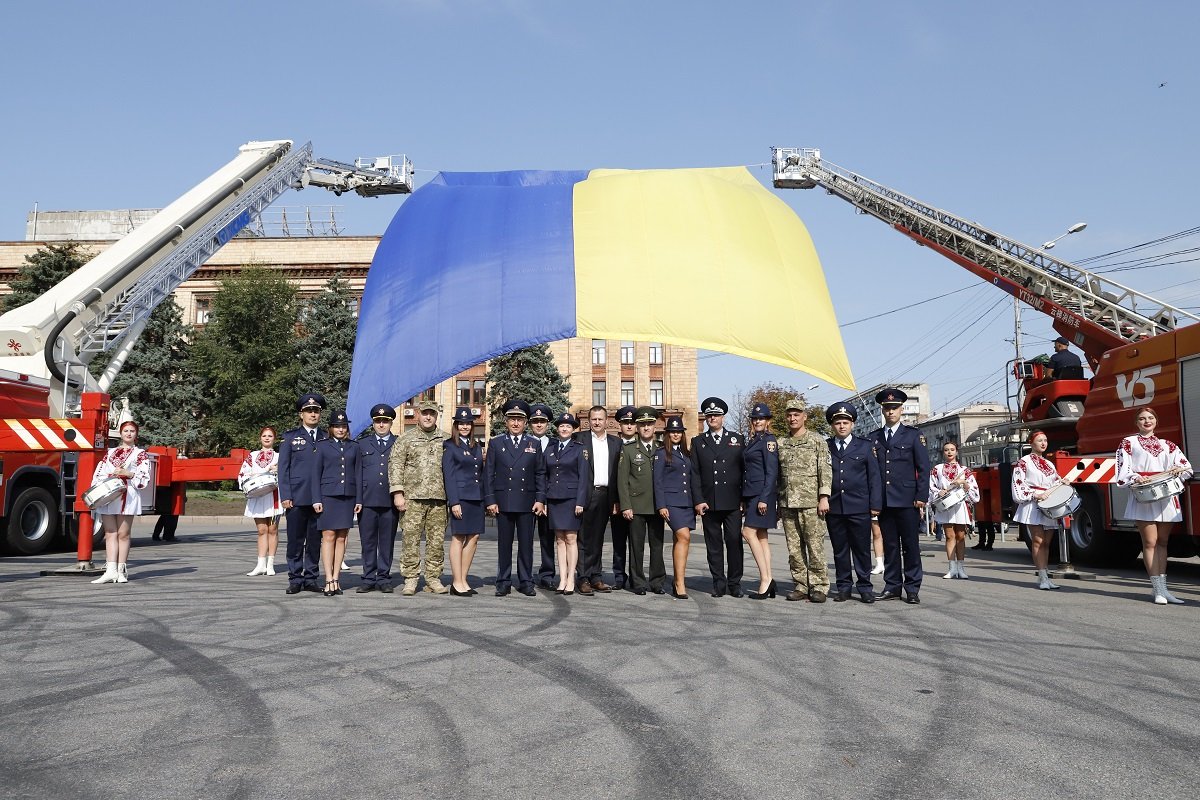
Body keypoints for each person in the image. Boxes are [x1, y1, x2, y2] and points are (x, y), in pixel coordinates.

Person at [1115, 408, 1193, 604]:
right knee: (1150, 542)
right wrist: (1135, 477)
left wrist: (1178, 469)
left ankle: (1164, 589)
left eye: (1150, 418)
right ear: (1136, 423)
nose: (1146, 421)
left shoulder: (1168, 445)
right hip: (1145, 495)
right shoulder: (1128, 443)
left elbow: (1187, 468)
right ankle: (1157, 589)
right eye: (1142, 418)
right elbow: (1123, 469)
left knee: (1163, 543)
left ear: (1156, 421)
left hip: (1166, 496)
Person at [872, 388, 930, 605]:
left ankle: (913, 588)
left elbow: (923, 468)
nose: (890, 412)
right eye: (887, 408)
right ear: (882, 411)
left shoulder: (914, 435)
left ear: (901, 410)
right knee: (890, 546)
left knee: (910, 545)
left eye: (894, 408)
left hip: (908, 500)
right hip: (885, 501)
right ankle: (892, 586)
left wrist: (921, 496)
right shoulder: (874, 437)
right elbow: (874, 473)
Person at [485, 399, 547, 596]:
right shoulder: (496, 443)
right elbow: (488, 474)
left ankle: (525, 580)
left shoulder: (534, 444)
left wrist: (540, 499)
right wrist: (490, 500)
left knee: (526, 544)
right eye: (512, 419)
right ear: (506, 421)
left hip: (527, 502)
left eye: (520, 419)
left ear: (525, 422)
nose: (516, 423)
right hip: (503, 501)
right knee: (504, 544)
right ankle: (503, 580)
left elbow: (540, 473)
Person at [389, 399, 450, 595]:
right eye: (425, 413)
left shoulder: (446, 439)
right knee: (410, 540)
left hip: (439, 499)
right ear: (418, 414)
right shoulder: (406, 439)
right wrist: (398, 493)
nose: (428, 417)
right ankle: (411, 578)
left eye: (432, 413)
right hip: (412, 499)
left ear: (436, 416)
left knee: (436, 541)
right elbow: (396, 466)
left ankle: (433, 577)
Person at [776, 398, 832, 603]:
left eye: (796, 414)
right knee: (794, 548)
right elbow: (778, 475)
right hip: (788, 503)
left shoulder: (817, 440)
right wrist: (778, 502)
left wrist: (824, 496)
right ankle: (800, 585)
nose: (792, 418)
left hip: (811, 503)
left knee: (814, 546)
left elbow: (824, 469)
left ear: (804, 417)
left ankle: (818, 585)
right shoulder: (781, 443)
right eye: (789, 415)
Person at [825, 403, 882, 603]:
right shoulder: (826, 446)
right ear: (833, 425)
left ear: (853, 424)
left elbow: (874, 478)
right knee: (840, 550)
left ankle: (865, 586)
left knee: (861, 549)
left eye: (846, 422)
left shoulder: (865, 446)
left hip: (859, 506)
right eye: (838, 423)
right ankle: (843, 586)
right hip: (835, 506)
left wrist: (875, 505)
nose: (842, 426)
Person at [691, 396, 746, 597]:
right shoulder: (698, 441)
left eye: (716, 415)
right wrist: (698, 500)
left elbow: (744, 470)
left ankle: (734, 583)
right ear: (705, 419)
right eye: (709, 416)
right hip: (709, 502)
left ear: (723, 417)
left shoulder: (737, 439)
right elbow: (694, 473)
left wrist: (744, 498)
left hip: (732, 501)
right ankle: (718, 583)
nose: (712, 418)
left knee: (734, 542)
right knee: (713, 545)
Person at [89, 420, 152, 585]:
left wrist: (128, 473)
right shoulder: (110, 452)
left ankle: (121, 570)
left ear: (136, 434)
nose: (129, 433)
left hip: (128, 495)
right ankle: (110, 571)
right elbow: (100, 472)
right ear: (121, 433)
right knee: (110, 533)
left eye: (132, 431)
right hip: (109, 494)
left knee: (123, 534)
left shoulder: (140, 454)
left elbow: (144, 477)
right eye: (126, 431)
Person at [277, 392, 327, 595]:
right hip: (296, 498)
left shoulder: (326, 437)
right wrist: (286, 495)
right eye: (308, 411)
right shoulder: (290, 438)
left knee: (315, 541)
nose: (312, 414)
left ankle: (311, 578)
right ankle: (295, 578)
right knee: (296, 540)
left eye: (316, 411)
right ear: (301, 414)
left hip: (320, 499)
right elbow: (283, 469)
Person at [312, 411, 362, 596]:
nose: (340, 429)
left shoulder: (354, 446)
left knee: (342, 537)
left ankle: (336, 578)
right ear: (331, 428)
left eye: (343, 426)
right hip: (328, 496)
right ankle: (328, 579)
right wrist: (316, 498)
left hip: (347, 497)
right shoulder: (322, 446)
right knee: (329, 536)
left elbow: (358, 474)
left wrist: (359, 499)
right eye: (337, 426)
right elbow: (315, 474)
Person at [618, 406, 665, 595]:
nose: (646, 428)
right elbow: (622, 481)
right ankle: (637, 582)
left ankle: (657, 581)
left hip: (657, 506)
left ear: (655, 426)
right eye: (642, 424)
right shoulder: (628, 450)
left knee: (657, 545)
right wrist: (626, 505)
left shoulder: (661, 449)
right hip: (636, 506)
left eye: (649, 424)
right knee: (636, 546)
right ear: (637, 427)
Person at [543, 412, 590, 595]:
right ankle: (562, 578)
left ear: (573, 430)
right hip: (554, 499)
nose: (564, 428)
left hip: (571, 500)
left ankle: (571, 578)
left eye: (568, 426)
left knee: (571, 539)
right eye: (561, 426)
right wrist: (545, 501)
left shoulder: (579, 448)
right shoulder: (551, 448)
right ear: (557, 428)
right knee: (559, 540)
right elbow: (545, 474)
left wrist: (580, 502)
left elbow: (584, 477)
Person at [576, 405, 621, 595]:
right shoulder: (579, 439)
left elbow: (619, 474)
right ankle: (583, 578)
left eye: (600, 419)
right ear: (588, 421)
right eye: (593, 419)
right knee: (584, 537)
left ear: (606, 420)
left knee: (599, 538)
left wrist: (617, 500)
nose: (596, 422)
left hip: (606, 495)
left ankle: (596, 576)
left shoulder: (616, 442)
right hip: (587, 493)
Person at [443, 407, 487, 597]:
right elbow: (449, 476)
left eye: (468, 423)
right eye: (461, 423)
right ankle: (456, 581)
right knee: (459, 537)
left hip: (476, 497)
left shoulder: (476, 446)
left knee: (474, 537)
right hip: (460, 498)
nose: (464, 426)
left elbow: (481, 474)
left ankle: (464, 579)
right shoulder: (449, 446)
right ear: (456, 425)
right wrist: (454, 502)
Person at [654, 416, 700, 599]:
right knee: (684, 536)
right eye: (672, 432)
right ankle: (679, 582)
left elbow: (691, 479)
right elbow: (657, 481)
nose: (675, 434)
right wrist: (661, 505)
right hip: (671, 503)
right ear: (667, 434)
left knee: (681, 540)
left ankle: (679, 579)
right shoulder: (661, 453)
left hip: (686, 502)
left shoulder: (686, 454)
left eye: (679, 432)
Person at [1011, 430, 1063, 590]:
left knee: (1047, 542)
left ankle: (1046, 575)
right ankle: (1042, 576)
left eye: (1045, 440)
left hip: (1049, 503)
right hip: (1033, 503)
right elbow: (1018, 483)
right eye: (1039, 440)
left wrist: (1062, 482)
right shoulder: (1024, 461)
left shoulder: (1049, 464)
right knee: (1038, 540)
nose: (1043, 443)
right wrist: (1034, 494)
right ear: (1031, 443)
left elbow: (1055, 480)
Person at [356, 404, 399, 593]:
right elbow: (356, 474)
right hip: (367, 499)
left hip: (390, 501)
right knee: (368, 541)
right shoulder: (362, 444)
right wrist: (357, 499)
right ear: (373, 423)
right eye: (378, 421)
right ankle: (368, 577)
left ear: (391, 423)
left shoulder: (399, 443)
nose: (381, 425)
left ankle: (383, 577)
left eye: (385, 421)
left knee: (387, 542)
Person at [741, 402, 780, 599]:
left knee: (747, 532)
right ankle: (769, 578)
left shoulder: (768, 441)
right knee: (762, 536)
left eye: (761, 418)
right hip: (752, 494)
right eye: (755, 418)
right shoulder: (754, 440)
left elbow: (772, 472)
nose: (757, 421)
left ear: (768, 421)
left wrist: (765, 498)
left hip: (761, 495)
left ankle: (765, 579)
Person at [929, 441, 980, 580]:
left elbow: (974, 490)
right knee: (950, 536)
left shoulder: (964, 470)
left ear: (957, 452)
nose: (949, 452)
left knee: (961, 536)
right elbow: (931, 486)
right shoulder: (937, 469)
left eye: (952, 449)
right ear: (943, 452)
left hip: (960, 506)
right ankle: (951, 568)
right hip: (946, 507)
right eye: (946, 450)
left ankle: (961, 568)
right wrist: (939, 492)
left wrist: (963, 483)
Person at [238, 426, 283, 577]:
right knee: (261, 530)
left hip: (273, 497)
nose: (267, 438)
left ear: (274, 439)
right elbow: (243, 472)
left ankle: (270, 565)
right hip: (258, 495)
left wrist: (278, 470)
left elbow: (287, 474)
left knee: (273, 530)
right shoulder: (253, 455)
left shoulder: (279, 456)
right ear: (260, 438)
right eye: (264, 435)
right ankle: (260, 565)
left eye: (270, 436)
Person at [528, 403, 558, 590]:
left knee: (547, 538)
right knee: (526, 538)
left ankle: (547, 573)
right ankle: (526, 574)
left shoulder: (556, 444)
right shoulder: (524, 442)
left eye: (542, 421)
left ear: (548, 424)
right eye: (535, 421)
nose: (539, 425)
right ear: (530, 423)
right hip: (527, 497)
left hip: (549, 498)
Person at [610, 405, 638, 589]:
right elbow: (612, 477)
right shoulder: (613, 446)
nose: (629, 426)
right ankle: (619, 576)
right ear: (619, 424)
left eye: (632, 423)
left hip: (638, 502)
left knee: (636, 542)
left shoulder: (641, 445)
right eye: (625, 422)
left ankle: (637, 577)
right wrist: (615, 500)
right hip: (618, 503)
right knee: (619, 541)